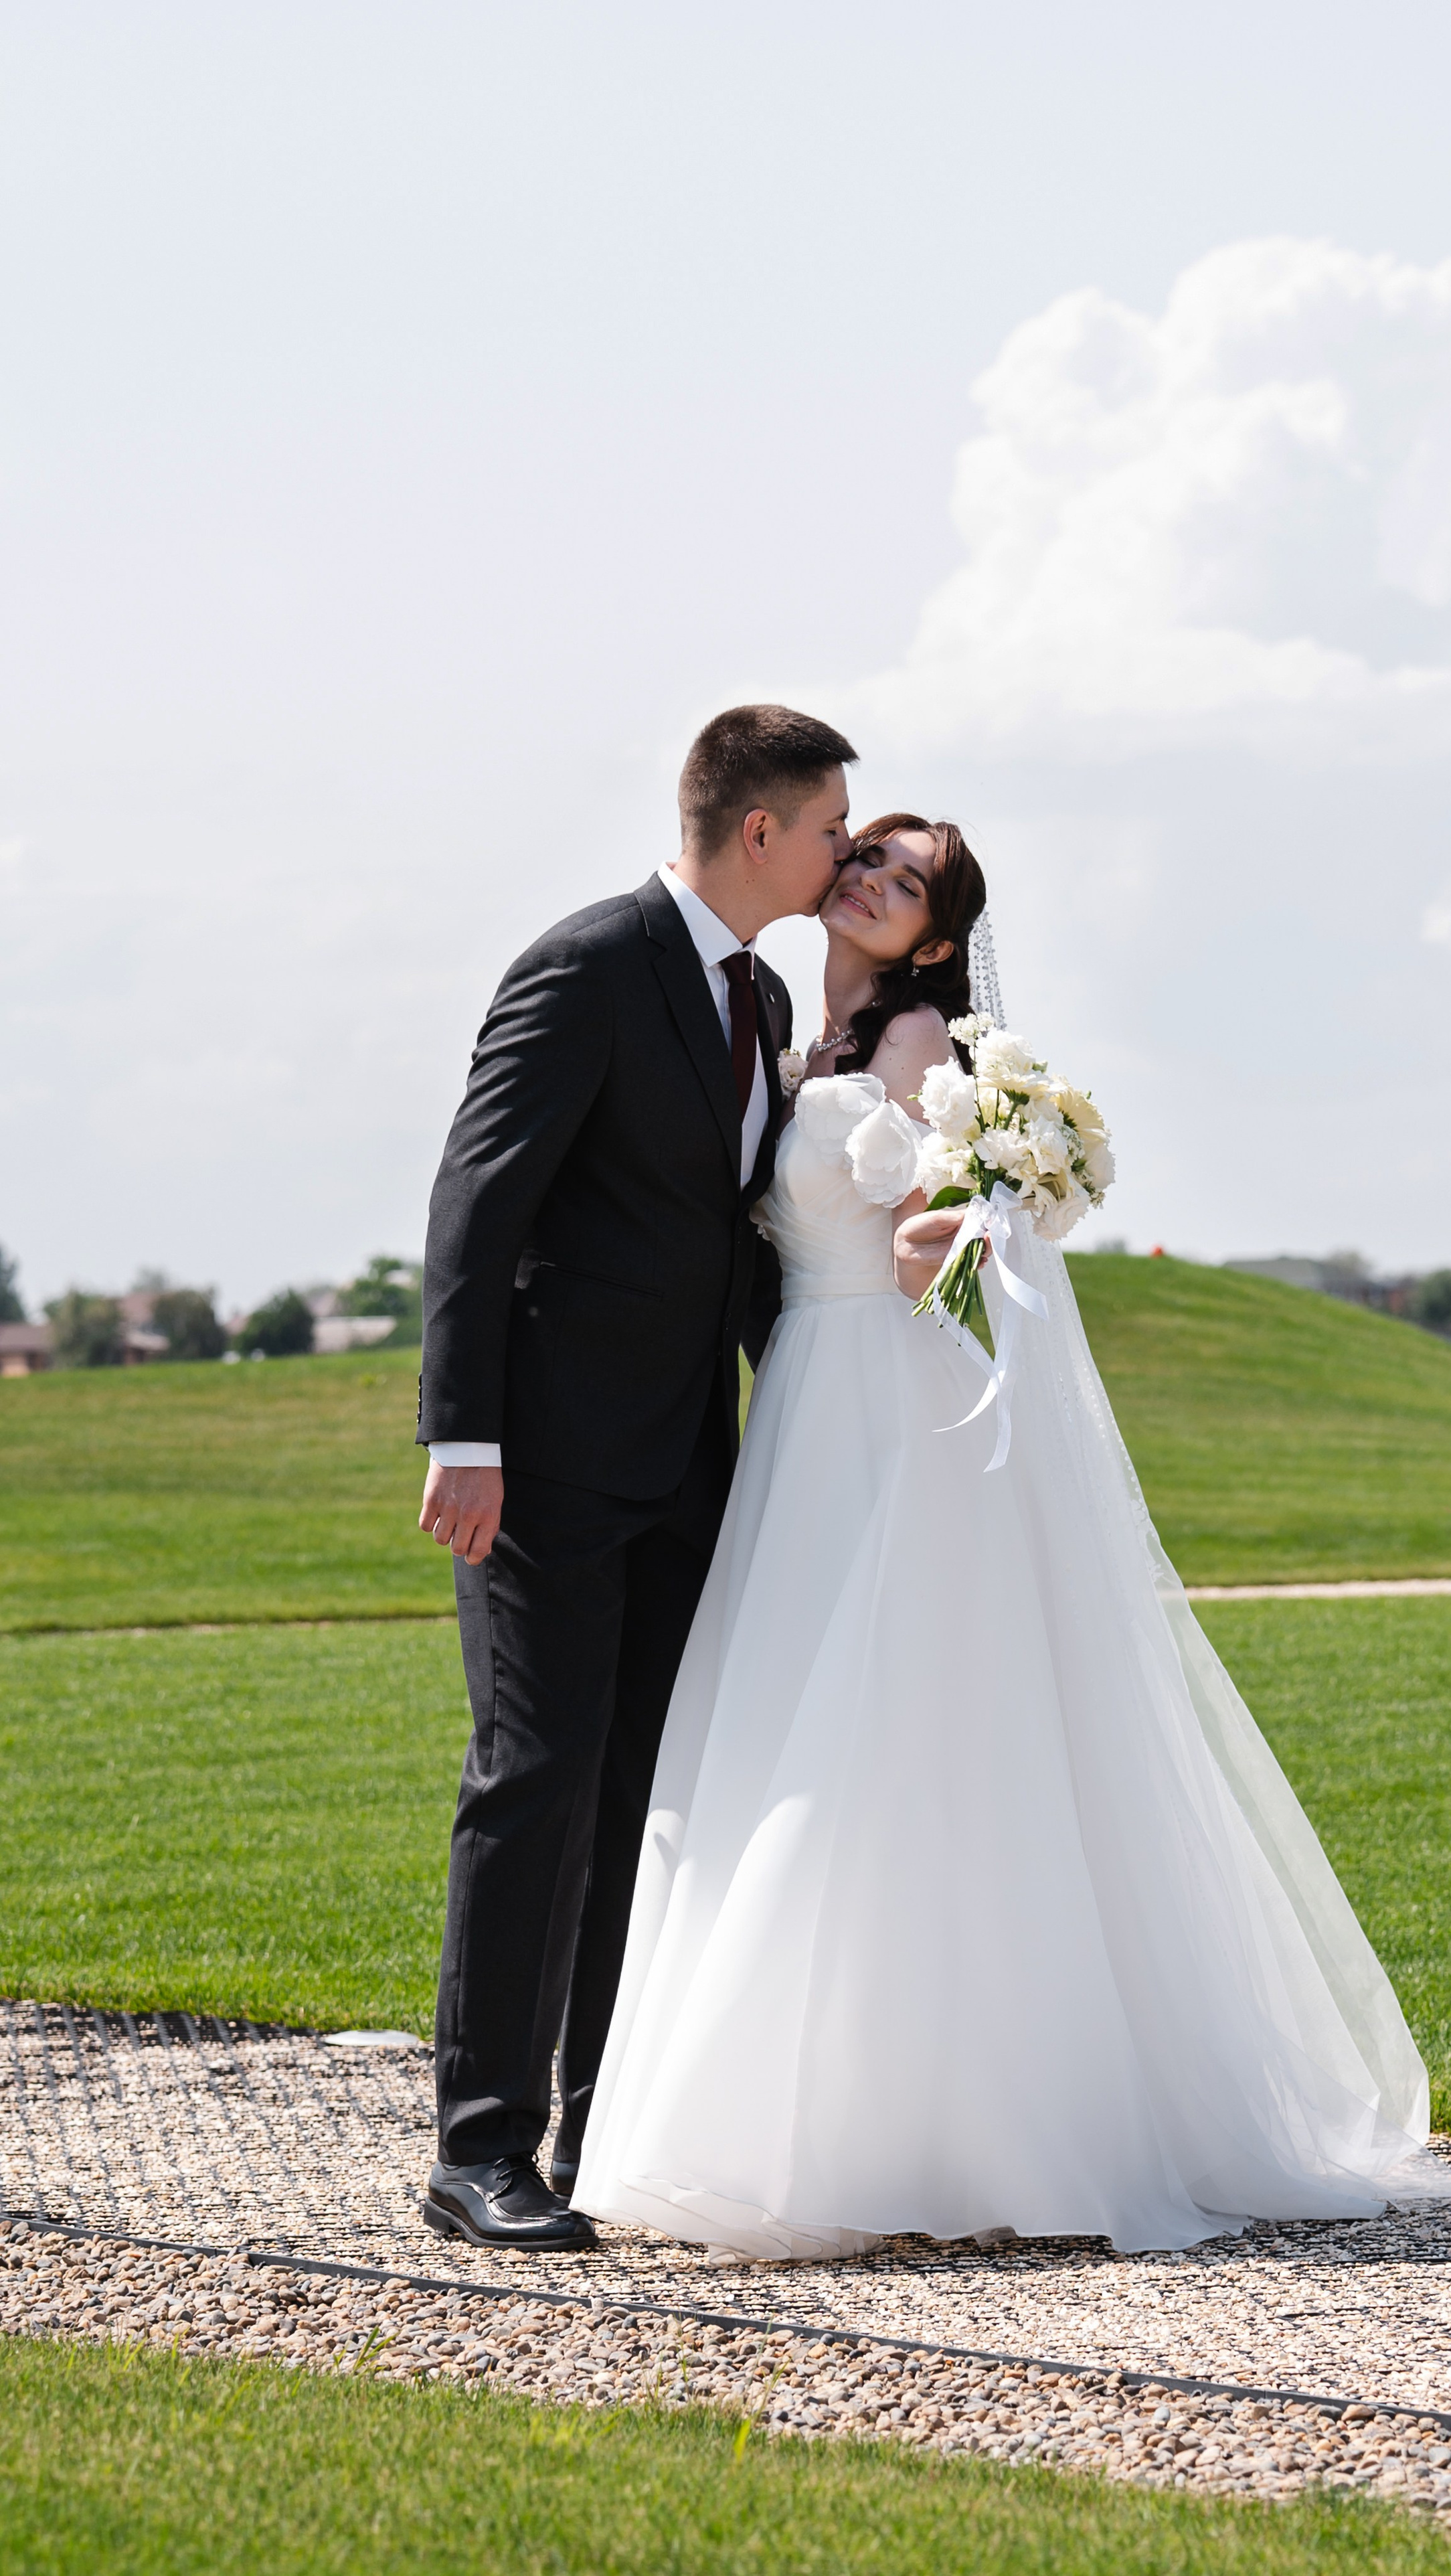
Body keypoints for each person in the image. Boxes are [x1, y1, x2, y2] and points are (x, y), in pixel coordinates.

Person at [574, 814, 1451, 2257]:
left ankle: (917, 2126)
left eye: (903, 878)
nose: (865, 876)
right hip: (808, 1399)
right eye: (861, 853)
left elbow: (933, 1230)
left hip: (876, 1391)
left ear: (933, 935)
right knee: (807, 1725)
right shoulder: (801, 1037)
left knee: (879, 1732)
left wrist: (968, 1209)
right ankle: (834, 2101)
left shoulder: (919, 1037)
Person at [414, 703, 856, 2247]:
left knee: (645, 1797)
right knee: (531, 1784)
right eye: (825, 828)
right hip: (538, 1466)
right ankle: (477, 2149)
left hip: (688, 1464)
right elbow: (478, 1202)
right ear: (757, 831)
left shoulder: (756, 992)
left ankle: (601, 2125)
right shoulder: (587, 964)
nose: (840, 852)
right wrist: (460, 1436)